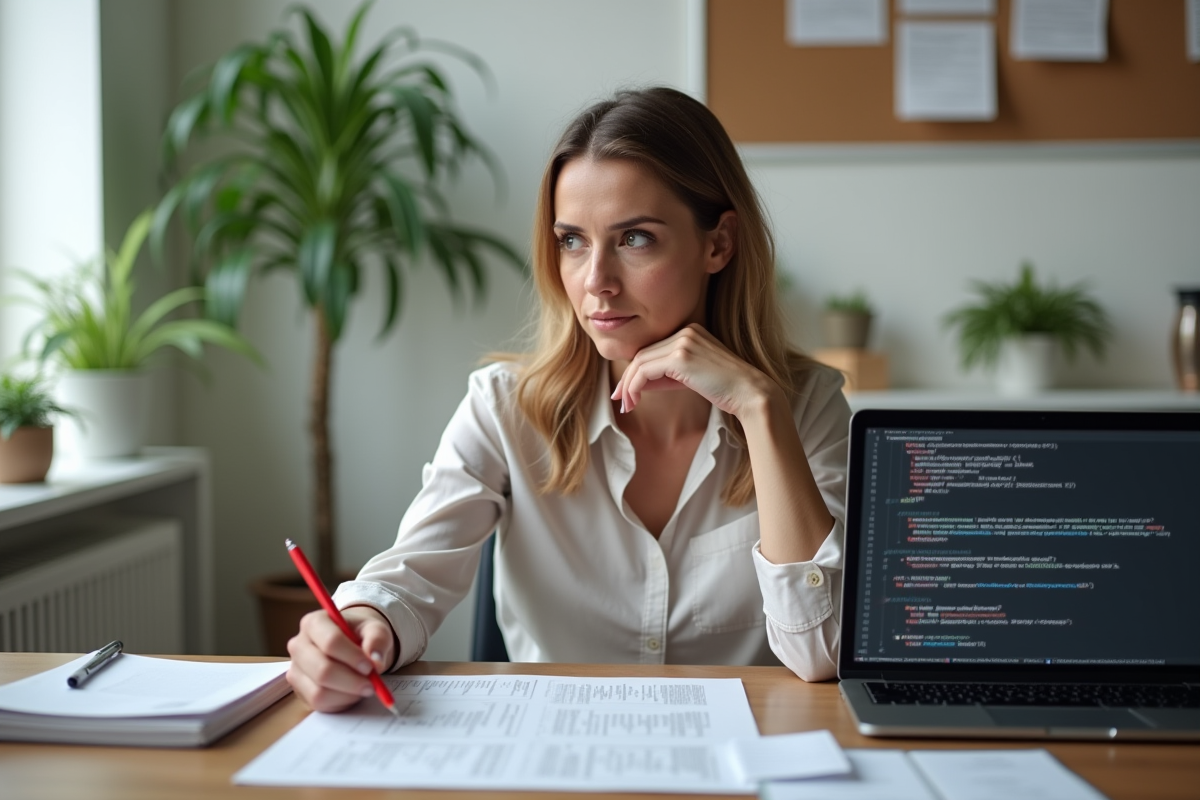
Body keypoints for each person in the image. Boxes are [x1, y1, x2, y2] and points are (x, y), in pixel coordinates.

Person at [286, 87, 851, 713]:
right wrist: (364, 623)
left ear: (718, 243)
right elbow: (410, 575)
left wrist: (758, 408)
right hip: (555, 758)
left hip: (747, 763)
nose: (596, 282)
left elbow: (822, 650)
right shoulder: (504, 407)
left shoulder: (806, 408)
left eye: (635, 239)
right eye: (572, 241)